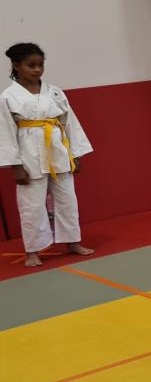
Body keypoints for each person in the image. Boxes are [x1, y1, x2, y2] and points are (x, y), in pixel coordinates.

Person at [0, 42, 96, 266]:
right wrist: (16, 166)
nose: (37, 70)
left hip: (58, 150)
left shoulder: (54, 92)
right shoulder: (8, 97)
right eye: (30, 65)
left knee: (67, 200)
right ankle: (33, 251)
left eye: (40, 65)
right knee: (31, 205)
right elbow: (5, 132)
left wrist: (75, 154)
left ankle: (73, 242)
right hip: (29, 154)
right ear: (16, 65)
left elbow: (69, 122)